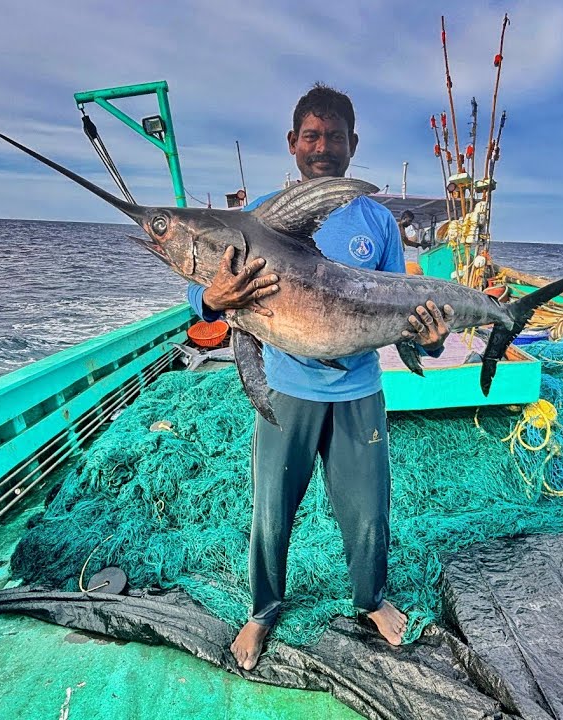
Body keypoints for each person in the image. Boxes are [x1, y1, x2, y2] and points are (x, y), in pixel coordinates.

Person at [186, 84, 453, 671]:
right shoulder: (258, 218)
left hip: (359, 391)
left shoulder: (378, 222)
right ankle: (262, 610)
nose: (323, 147)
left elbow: (402, 307)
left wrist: (428, 338)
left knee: (369, 511)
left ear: (353, 143)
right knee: (271, 510)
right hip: (285, 389)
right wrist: (213, 298)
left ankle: (371, 600)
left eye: (335, 136)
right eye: (312, 135)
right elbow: (197, 294)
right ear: (292, 142)